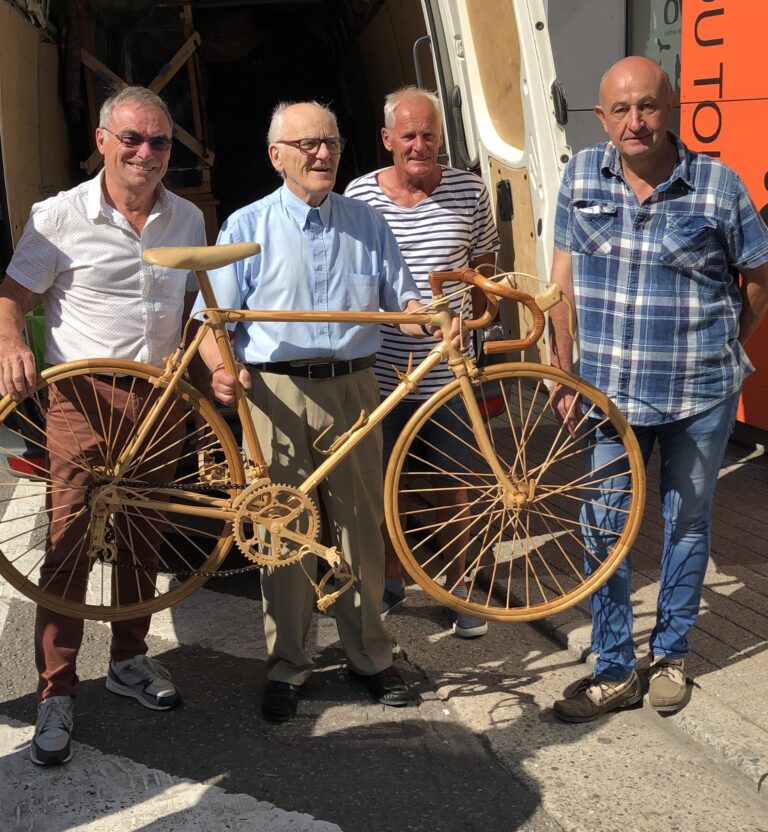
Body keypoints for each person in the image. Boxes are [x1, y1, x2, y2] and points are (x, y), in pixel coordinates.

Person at [549, 55, 768, 722]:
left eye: (647, 106)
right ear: (602, 116)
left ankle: (671, 654)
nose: (634, 121)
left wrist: (724, 345)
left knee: (686, 528)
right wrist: (562, 373)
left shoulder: (717, 186)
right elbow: (559, 284)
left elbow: (756, 278)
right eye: (621, 109)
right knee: (603, 532)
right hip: (609, 396)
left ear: (670, 109)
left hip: (697, 399)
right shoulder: (583, 174)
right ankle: (615, 668)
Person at [199, 100, 427, 723]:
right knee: (283, 532)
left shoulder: (368, 223)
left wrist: (430, 311)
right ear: (277, 156)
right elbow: (211, 323)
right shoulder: (247, 226)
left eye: (330, 142)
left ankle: (371, 659)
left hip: (354, 387)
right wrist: (223, 369)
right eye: (306, 144)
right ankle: (289, 666)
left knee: (359, 525)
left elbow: (401, 297)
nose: (322, 154)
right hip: (273, 392)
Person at [0, 86, 205, 765]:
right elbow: (13, 295)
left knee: (144, 538)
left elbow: (197, 315)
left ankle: (129, 660)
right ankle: (56, 691)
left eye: (160, 143)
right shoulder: (59, 217)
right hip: (82, 400)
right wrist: (11, 344)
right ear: (102, 141)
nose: (146, 153)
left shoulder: (188, 220)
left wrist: (217, 369)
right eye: (133, 140)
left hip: (158, 401)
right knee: (67, 546)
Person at [345, 86, 499, 637]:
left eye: (428, 134)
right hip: (378, 371)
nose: (420, 145)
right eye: (408, 135)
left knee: (456, 484)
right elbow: (351, 276)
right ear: (387, 139)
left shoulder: (469, 191)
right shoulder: (360, 195)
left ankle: (457, 589)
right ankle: (391, 582)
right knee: (384, 485)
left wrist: (480, 332)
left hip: (446, 373)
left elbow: (483, 271)